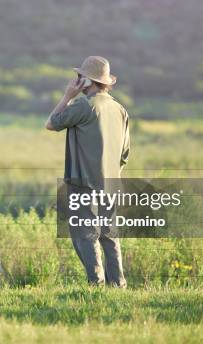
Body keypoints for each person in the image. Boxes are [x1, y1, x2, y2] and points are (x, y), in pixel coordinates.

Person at [45, 56, 130, 287]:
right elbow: (124, 153)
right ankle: (118, 285)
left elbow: (51, 123)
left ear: (88, 81)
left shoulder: (83, 105)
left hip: (83, 183)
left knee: (85, 235)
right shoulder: (120, 109)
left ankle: (96, 284)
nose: (76, 80)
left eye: (79, 77)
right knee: (110, 236)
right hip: (112, 184)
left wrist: (67, 96)